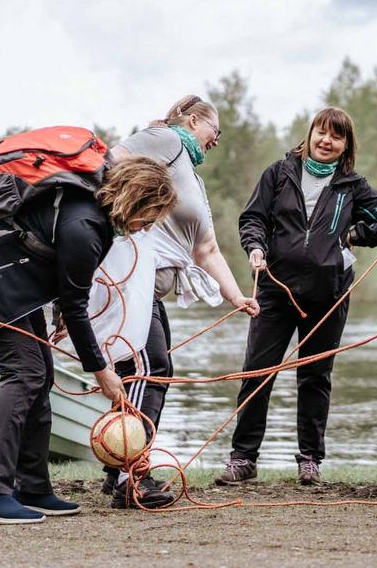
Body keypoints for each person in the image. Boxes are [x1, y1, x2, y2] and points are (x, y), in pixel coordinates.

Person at [0, 157, 178, 524]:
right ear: (134, 200)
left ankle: (32, 487)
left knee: (42, 375)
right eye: (149, 215)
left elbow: (64, 278)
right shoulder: (86, 225)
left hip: (12, 278)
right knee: (24, 374)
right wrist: (101, 371)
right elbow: (75, 304)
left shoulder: (93, 214)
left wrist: (59, 314)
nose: (147, 226)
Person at [216, 107, 377, 486]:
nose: (326, 141)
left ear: (346, 145)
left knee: (315, 377)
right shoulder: (278, 174)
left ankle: (310, 459)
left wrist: (354, 236)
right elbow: (253, 218)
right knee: (257, 373)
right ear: (310, 133)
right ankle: (243, 458)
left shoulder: (353, 185)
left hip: (328, 295)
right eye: (321, 132)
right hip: (274, 290)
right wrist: (254, 246)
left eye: (336, 136)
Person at [97, 95, 260, 509]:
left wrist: (235, 295)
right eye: (215, 132)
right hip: (132, 282)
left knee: (154, 370)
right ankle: (130, 476)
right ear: (192, 119)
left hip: (150, 291)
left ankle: (121, 468)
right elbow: (110, 161)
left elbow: (206, 248)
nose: (217, 142)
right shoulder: (166, 140)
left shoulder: (188, 171)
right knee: (148, 369)